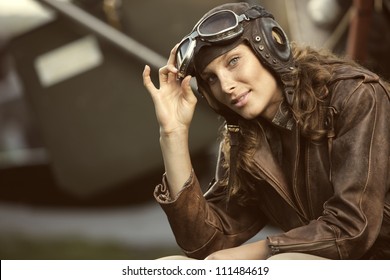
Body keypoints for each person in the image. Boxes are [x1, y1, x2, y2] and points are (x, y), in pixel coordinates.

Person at [142, 2, 390, 260]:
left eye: (233, 61)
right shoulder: (246, 139)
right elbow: (205, 244)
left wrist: (263, 251)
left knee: (283, 264)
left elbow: (352, 228)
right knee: (170, 266)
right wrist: (173, 133)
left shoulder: (356, 96)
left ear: (272, 47)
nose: (225, 86)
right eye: (211, 78)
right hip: (334, 264)